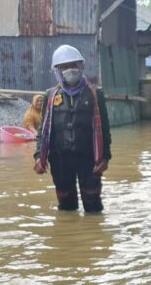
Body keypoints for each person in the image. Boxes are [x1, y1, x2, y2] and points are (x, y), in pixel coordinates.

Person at [32, 45, 111, 214]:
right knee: (66, 206)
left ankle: (93, 231)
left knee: (93, 205)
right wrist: (39, 156)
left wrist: (105, 157)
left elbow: (104, 129)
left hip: (89, 158)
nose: (70, 70)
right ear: (57, 71)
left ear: (81, 66)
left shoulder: (95, 94)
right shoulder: (50, 96)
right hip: (60, 159)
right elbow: (43, 131)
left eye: (73, 65)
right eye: (64, 67)